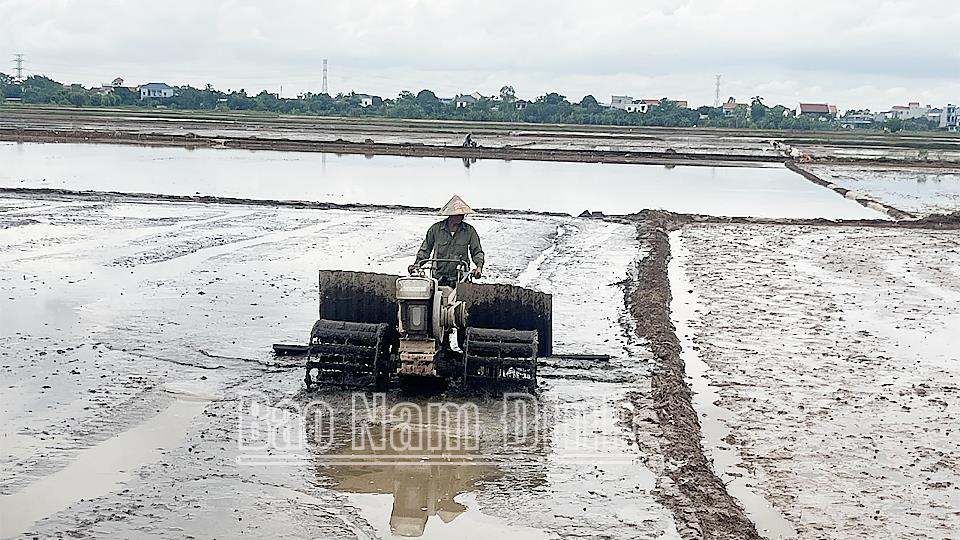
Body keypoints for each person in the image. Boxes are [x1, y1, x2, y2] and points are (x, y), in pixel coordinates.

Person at [409, 195, 484, 286]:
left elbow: (477, 251)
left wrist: (478, 267)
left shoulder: (469, 231)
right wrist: (417, 265)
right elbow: (426, 249)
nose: (461, 216)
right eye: (458, 214)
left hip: (460, 278)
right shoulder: (435, 229)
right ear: (450, 215)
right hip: (437, 277)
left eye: (462, 214)